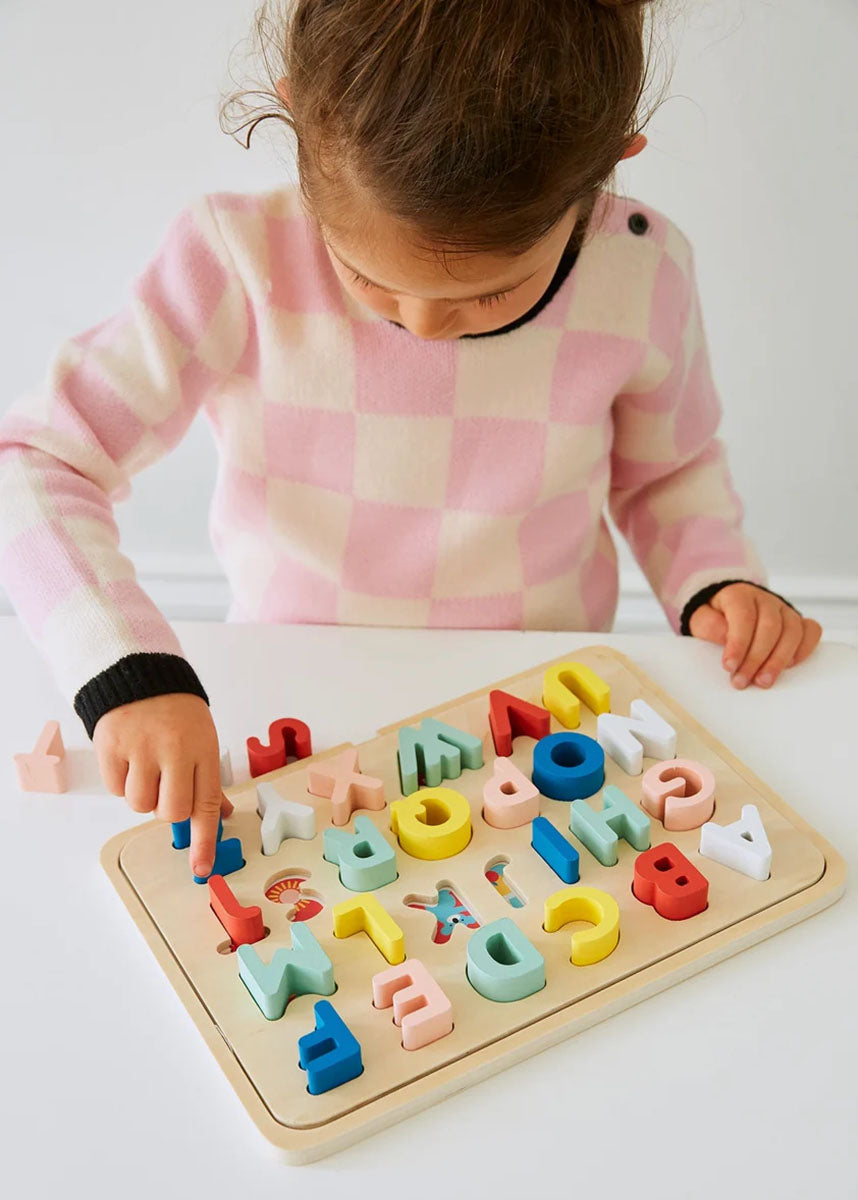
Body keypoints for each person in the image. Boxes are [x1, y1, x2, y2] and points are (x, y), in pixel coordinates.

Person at [0, 0, 821, 878]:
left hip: (538, 710)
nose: (426, 327)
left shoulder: (643, 271)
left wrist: (715, 580)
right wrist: (127, 670)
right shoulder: (237, 257)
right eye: (368, 279)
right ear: (300, 127)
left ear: (607, 167)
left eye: (492, 294)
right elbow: (38, 462)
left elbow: (671, 471)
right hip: (297, 702)